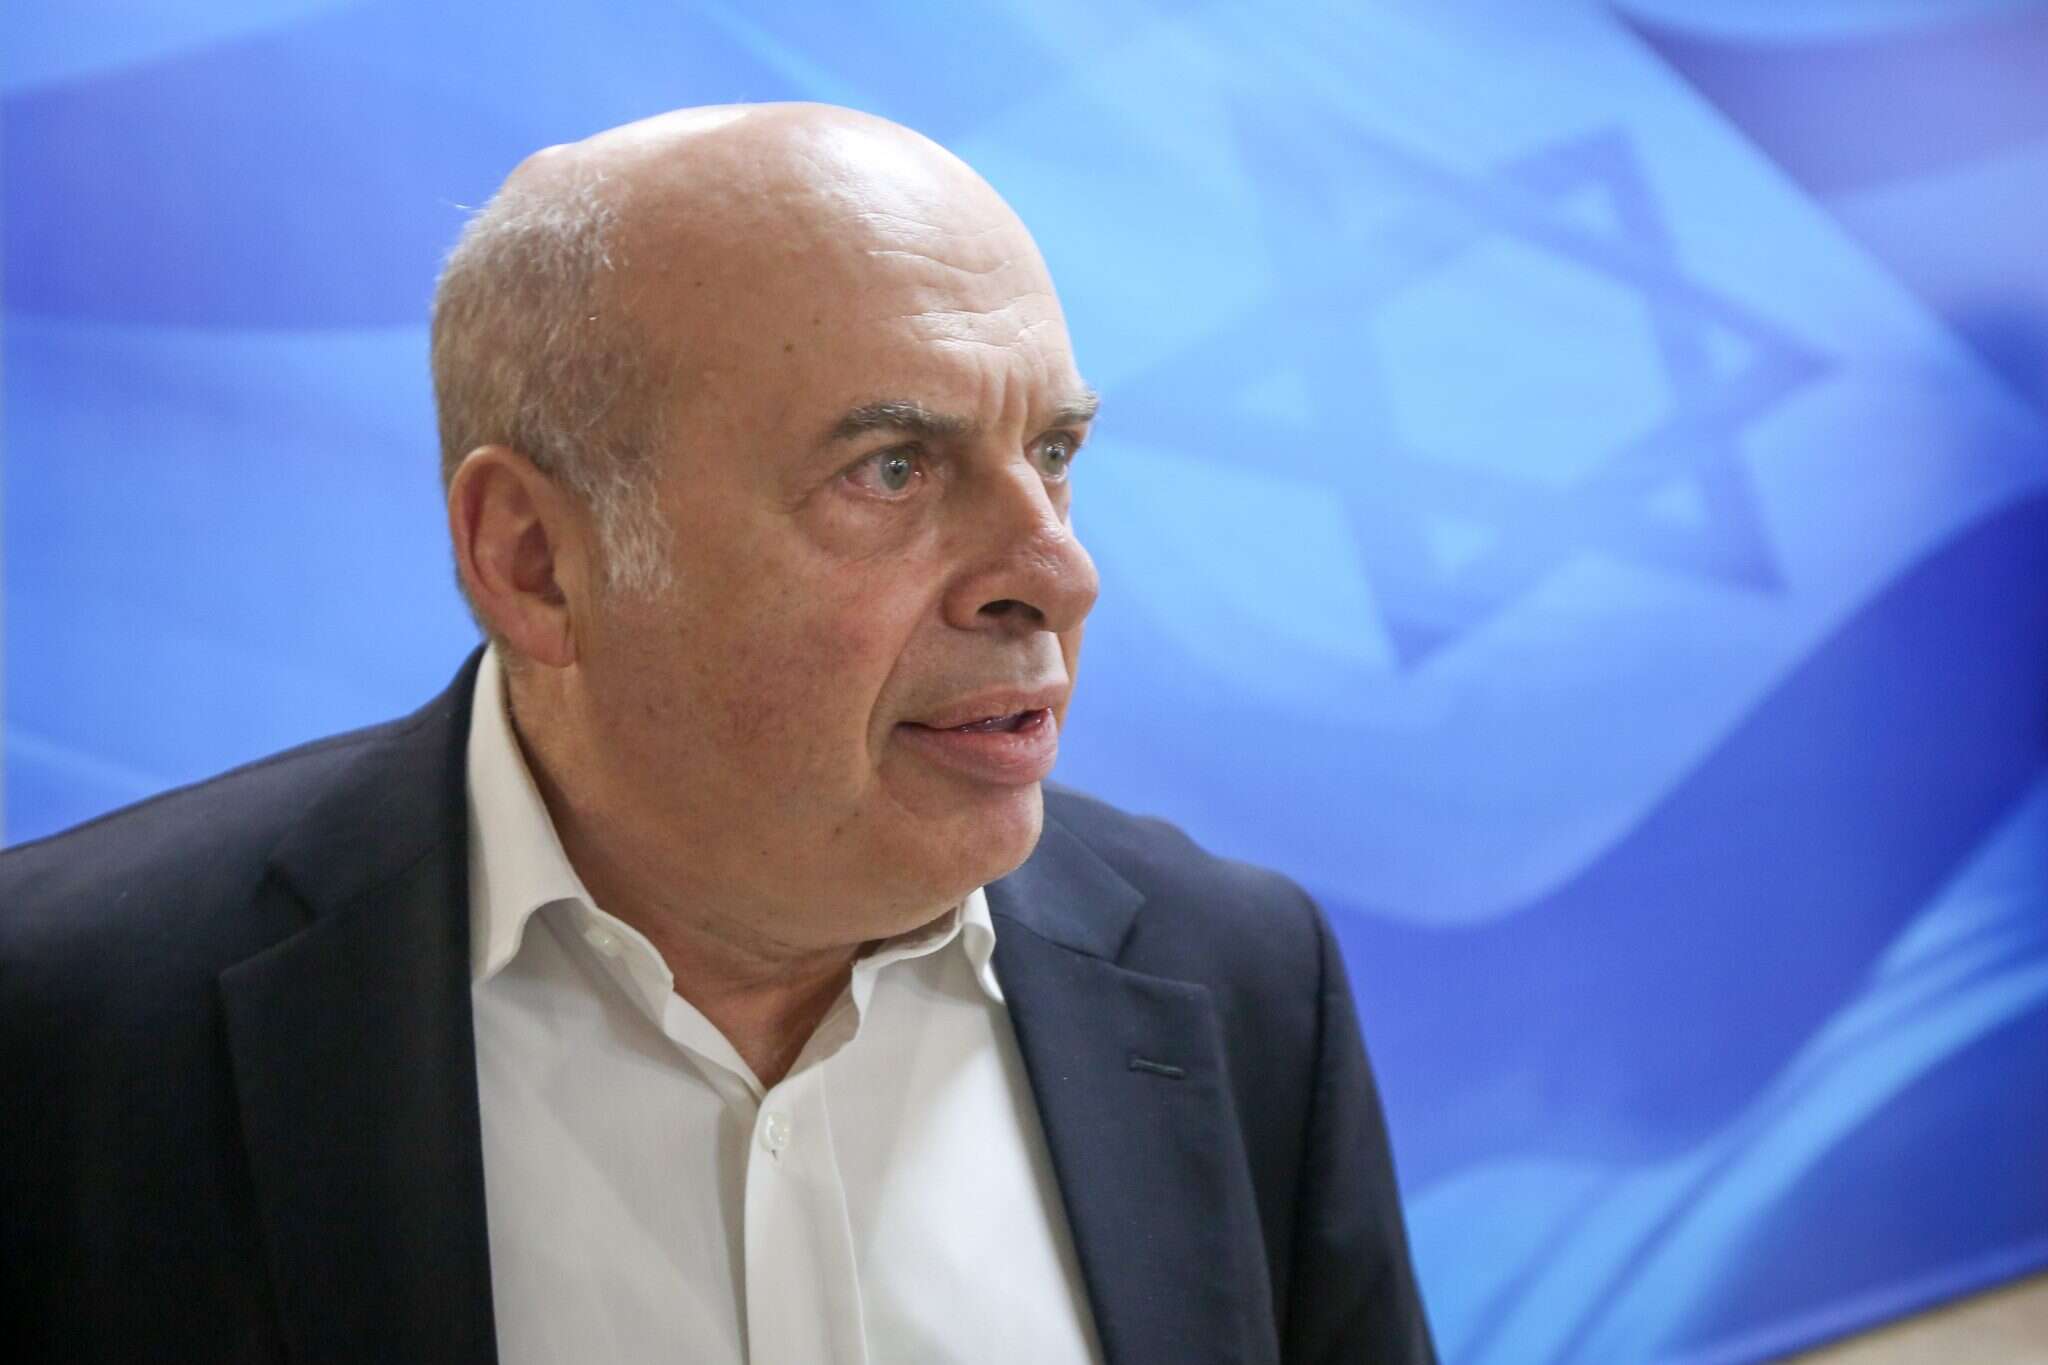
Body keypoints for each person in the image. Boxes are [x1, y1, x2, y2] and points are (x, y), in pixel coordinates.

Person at [0, 104, 1435, 1364]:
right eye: (893, 468)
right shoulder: (66, 1029)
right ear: (535, 560)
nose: (1056, 572)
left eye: (1052, 452)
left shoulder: (1239, 983)